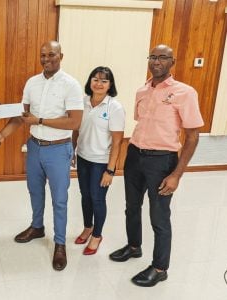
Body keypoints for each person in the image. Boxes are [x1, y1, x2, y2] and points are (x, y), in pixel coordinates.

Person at [109, 44, 204, 287]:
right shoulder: (142, 90)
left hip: (162, 160)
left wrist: (177, 175)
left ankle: (160, 267)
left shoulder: (185, 92)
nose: (156, 61)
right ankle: (133, 246)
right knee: (132, 206)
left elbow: (192, 136)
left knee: (159, 216)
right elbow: (141, 123)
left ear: (173, 61)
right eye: (153, 56)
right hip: (135, 154)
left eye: (163, 57)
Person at [0, 41, 83, 271]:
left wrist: (40, 120)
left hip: (58, 148)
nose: (46, 59)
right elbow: (20, 116)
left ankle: (60, 243)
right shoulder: (32, 83)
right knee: (34, 190)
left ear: (61, 55)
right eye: (43, 55)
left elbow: (75, 121)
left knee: (59, 199)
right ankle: (37, 227)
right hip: (34, 147)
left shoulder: (71, 85)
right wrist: (1, 136)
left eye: (51, 54)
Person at [72, 66, 125, 255]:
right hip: (83, 158)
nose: (99, 83)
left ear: (110, 85)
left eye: (104, 81)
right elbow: (75, 129)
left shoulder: (114, 107)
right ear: (90, 82)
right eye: (95, 79)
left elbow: (117, 142)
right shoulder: (82, 102)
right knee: (85, 196)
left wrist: (110, 170)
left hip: (101, 162)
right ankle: (88, 227)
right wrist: (73, 150)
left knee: (97, 198)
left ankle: (97, 235)